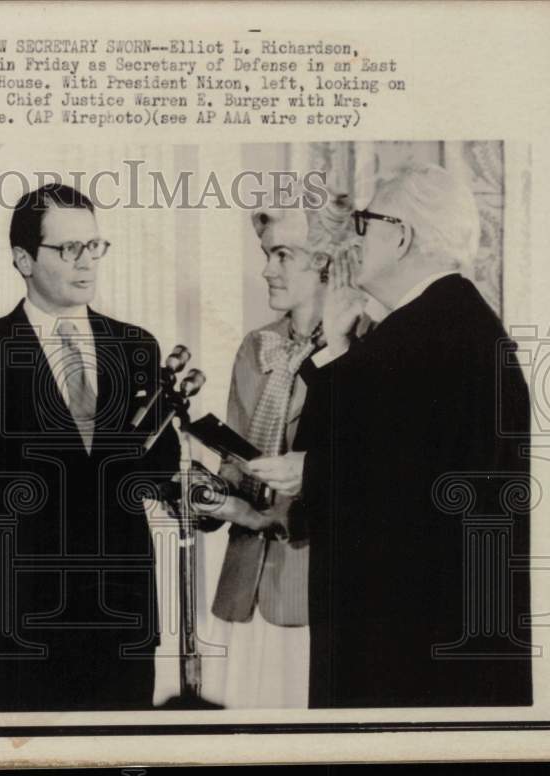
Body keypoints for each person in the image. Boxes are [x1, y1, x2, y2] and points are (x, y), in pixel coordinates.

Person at [246, 164, 533, 707]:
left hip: (397, 645)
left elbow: (395, 481)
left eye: (364, 223)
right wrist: (336, 350)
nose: (354, 239)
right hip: (450, 638)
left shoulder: (411, 341)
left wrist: (311, 470)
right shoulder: (458, 325)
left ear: (401, 235)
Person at [0, 184, 179, 712]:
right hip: (18, 623)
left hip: (120, 616)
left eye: (94, 246)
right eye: (68, 249)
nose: (87, 263)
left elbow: (161, 472)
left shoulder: (135, 346)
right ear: (23, 258)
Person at [192, 192, 367, 708]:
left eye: (281, 255)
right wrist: (209, 498)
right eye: (265, 254)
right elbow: (234, 469)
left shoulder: (363, 348)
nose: (266, 269)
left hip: (315, 590)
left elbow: (361, 474)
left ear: (325, 264)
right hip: (245, 586)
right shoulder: (255, 346)